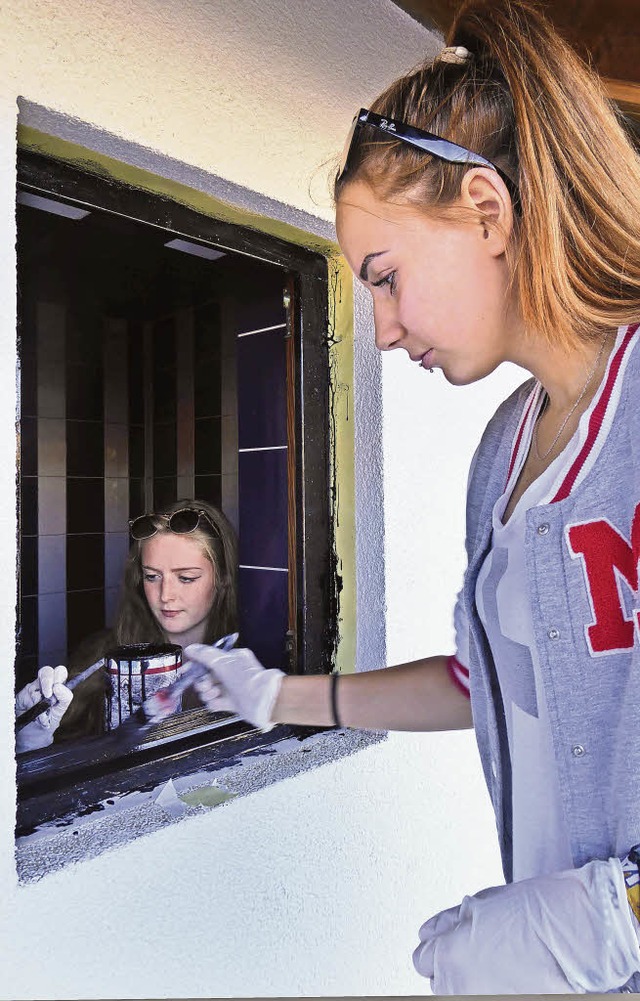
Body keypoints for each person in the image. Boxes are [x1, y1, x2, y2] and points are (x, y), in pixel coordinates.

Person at [183, 1, 640, 993]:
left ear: (486, 210)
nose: (382, 330)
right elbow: (487, 678)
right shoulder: (501, 454)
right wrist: (281, 697)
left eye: (386, 278)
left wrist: (618, 916)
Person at [15, 499, 238, 751]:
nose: (165, 595)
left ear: (223, 580)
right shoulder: (99, 656)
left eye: (186, 578)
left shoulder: (244, 669)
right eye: (152, 576)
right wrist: (28, 742)